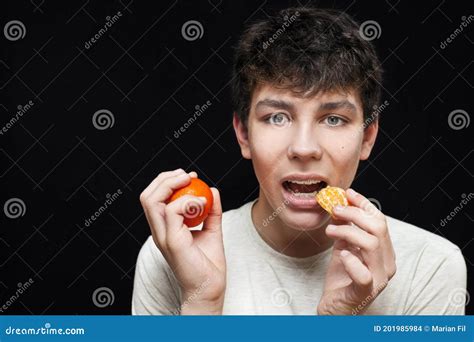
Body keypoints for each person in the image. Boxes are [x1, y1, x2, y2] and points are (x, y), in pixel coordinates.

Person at [132, 7, 467, 315]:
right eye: (277, 117)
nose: (304, 148)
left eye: (333, 119)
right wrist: (201, 301)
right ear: (244, 134)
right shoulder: (172, 256)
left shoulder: (431, 266)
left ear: (367, 137)